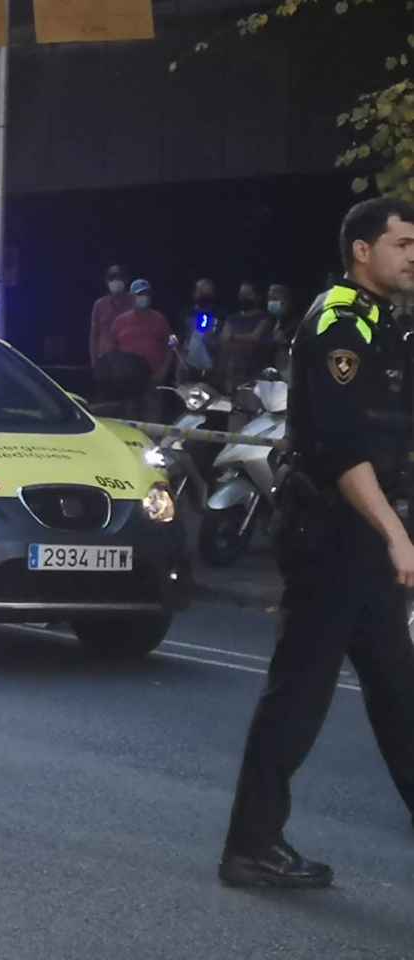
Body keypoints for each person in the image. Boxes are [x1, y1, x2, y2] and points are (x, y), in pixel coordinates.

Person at [219, 197, 414, 890]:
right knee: (299, 698)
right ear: (363, 251)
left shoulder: (387, 325)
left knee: (400, 695)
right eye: (402, 243)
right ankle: (251, 846)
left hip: (365, 539)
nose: (413, 254)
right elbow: (339, 449)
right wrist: (396, 536)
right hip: (333, 537)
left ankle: (254, 842)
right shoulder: (338, 322)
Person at [104, 279, 173, 420]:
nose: (144, 297)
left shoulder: (160, 319)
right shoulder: (120, 321)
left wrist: (163, 371)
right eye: (140, 294)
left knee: (152, 417)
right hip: (128, 380)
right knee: (129, 416)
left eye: (146, 294)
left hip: (153, 378)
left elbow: (172, 346)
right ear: (132, 297)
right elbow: (112, 350)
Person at [219, 282, 273, 393]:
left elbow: (255, 338)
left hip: (256, 371)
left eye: (248, 294)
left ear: (258, 297)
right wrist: (242, 339)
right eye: (241, 294)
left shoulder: (265, 318)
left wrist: (233, 337)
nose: (243, 297)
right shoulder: (232, 318)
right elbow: (224, 338)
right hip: (233, 372)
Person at [89, 264, 135, 368]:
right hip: (105, 362)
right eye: (112, 277)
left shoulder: (135, 303)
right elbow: (94, 336)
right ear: (106, 281)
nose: (116, 280)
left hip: (129, 362)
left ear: (126, 279)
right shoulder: (99, 305)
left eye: (120, 276)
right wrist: (94, 362)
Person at [267, 282, 298, 373]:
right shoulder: (268, 322)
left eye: (275, 299)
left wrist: (284, 342)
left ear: (287, 300)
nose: (271, 302)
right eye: (269, 299)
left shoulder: (296, 325)